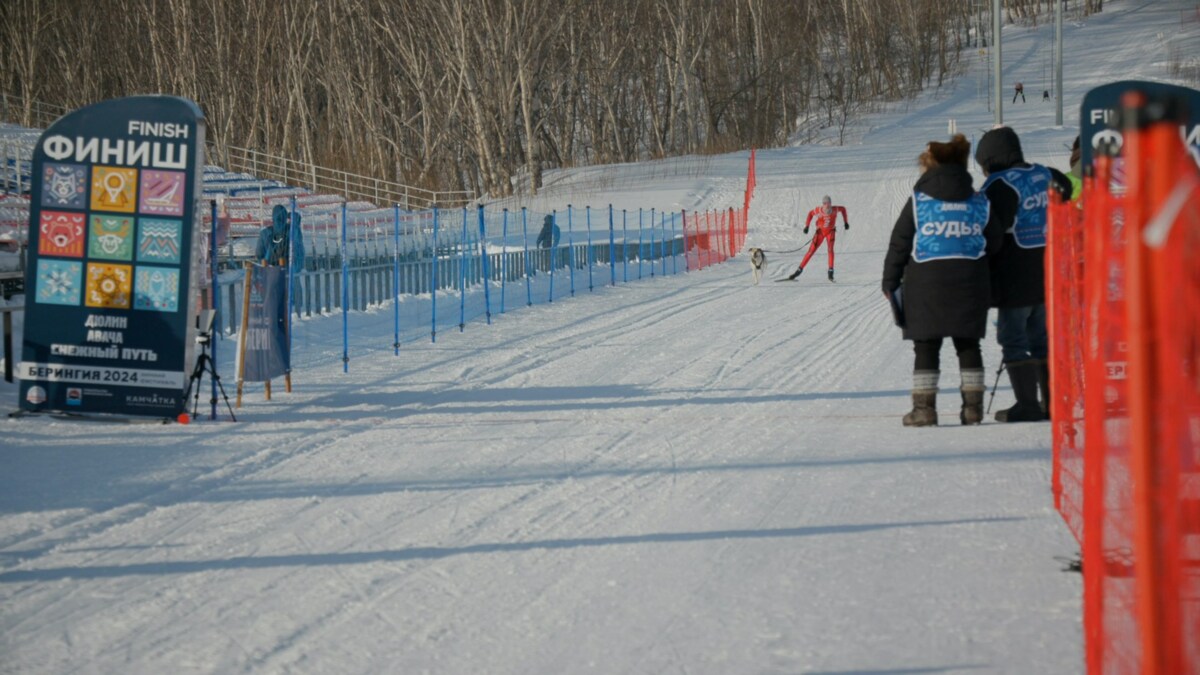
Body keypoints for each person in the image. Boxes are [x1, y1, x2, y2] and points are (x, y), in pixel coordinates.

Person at [882, 134, 1001, 427]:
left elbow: (900, 242)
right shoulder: (979, 201)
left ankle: (924, 410)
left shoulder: (919, 201)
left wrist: (890, 280)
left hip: (926, 282)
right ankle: (972, 409)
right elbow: (996, 242)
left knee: (926, 346)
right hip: (970, 280)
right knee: (968, 345)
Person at [975, 126, 1072, 422]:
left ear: (992, 159)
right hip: (1049, 274)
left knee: (1013, 338)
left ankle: (1027, 404)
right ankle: (1053, 403)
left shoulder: (998, 185)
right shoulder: (1047, 174)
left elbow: (990, 230)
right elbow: (1067, 190)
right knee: (1042, 339)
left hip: (1014, 278)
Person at [785, 195, 849, 281]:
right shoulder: (819, 210)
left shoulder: (835, 209)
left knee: (830, 250)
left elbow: (843, 209)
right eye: (825, 204)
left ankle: (830, 271)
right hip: (820, 233)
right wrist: (807, 226)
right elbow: (810, 214)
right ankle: (799, 270)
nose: (827, 207)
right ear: (823, 204)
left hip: (830, 232)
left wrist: (846, 222)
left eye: (829, 204)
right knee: (811, 251)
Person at [256, 204, 305, 270]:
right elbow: (260, 257)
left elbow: (298, 252)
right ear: (273, 219)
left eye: (282, 219)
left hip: (289, 272)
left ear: (285, 219)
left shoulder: (291, 231)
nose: (279, 222)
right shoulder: (265, 234)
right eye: (278, 219)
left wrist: (296, 226)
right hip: (271, 273)